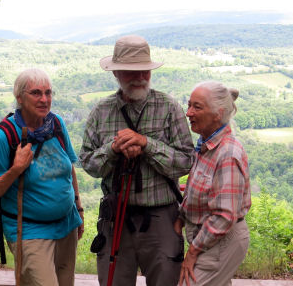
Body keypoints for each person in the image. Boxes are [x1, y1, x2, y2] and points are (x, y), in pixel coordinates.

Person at [79, 35, 194, 286]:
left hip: (162, 217)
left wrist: (146, 144)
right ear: (116, 73)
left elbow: (187, 161)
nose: (140, 76)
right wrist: (112, 149)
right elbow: (87, 162)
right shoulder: (102, 111)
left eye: (144, 70)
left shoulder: (168, 107)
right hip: (115, 217)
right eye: (131, 72)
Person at [0, 68, 84, 286]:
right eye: (36, 93)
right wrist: (16, 169)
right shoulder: (4, 136)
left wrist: (78, 207)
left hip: (67, 225)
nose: (44, 99)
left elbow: (69, 168)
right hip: (29, 230)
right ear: (19, 97)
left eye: (48, 93)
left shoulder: (55, 124)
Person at [175, 81, 251, 286]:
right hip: (208, 240)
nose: (188, 112)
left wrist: (192, 253)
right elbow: (196, 191)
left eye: (197, 107)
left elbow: (224, 216)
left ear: (218, 113)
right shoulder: (206, 146)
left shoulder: (227, 154)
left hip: (221, 242)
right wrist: (181, 218)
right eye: (189, 105)